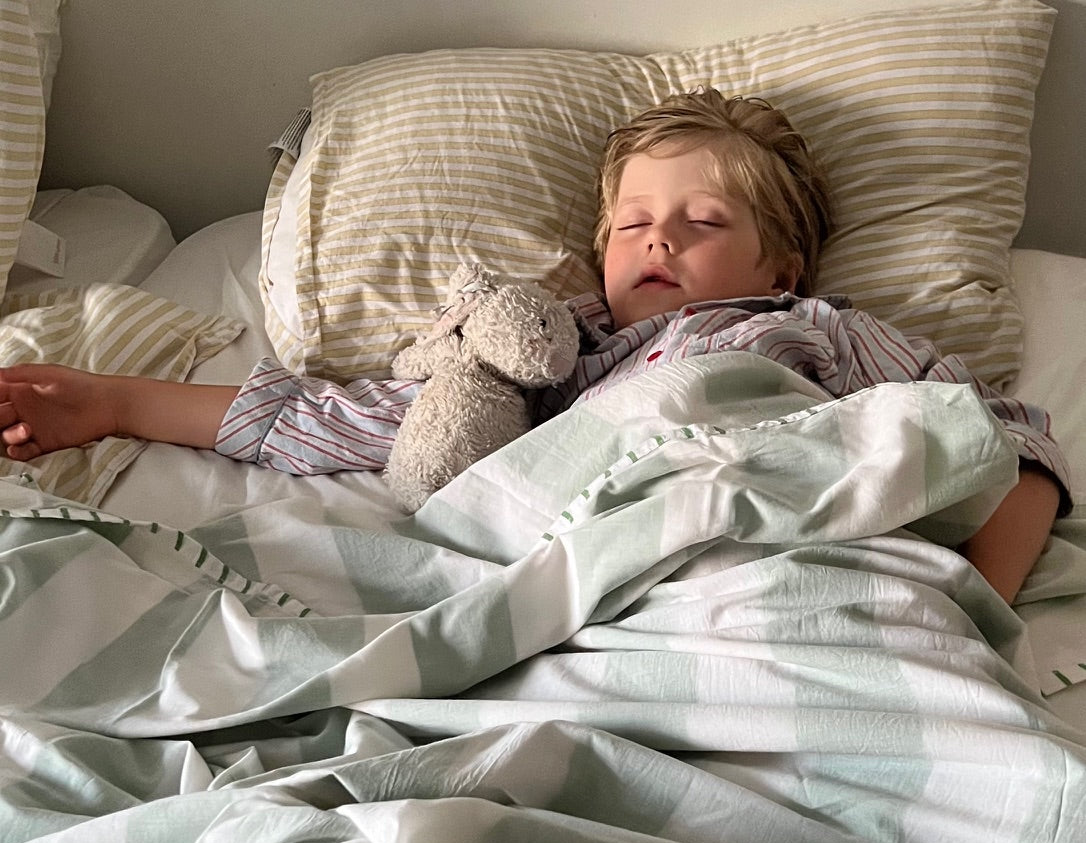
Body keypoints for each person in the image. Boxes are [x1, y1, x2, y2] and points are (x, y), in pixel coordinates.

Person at [0, 90, 1067, 603]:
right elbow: (340, 421)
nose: (660, 236)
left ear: (782, 268)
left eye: (705, 222)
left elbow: (1011, 442)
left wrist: (978, 597)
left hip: (785, 557)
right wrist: (111, 404)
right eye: (635, 221)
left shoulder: (819, 333)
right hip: (601, 567)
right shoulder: (551, 357)